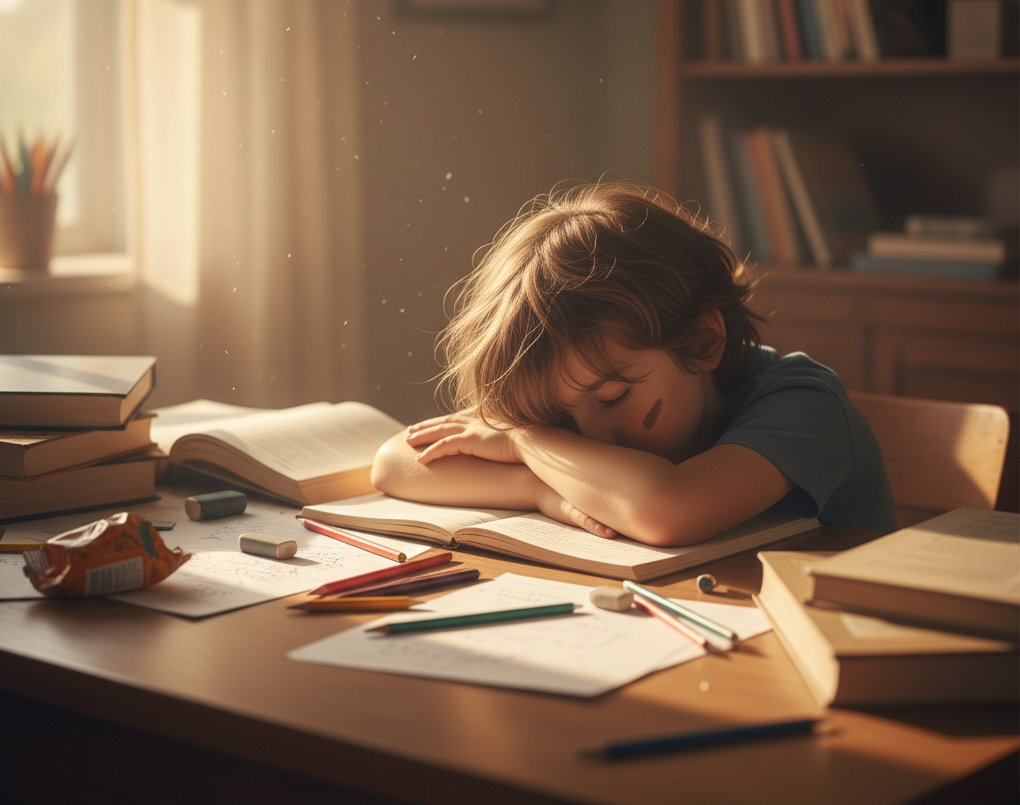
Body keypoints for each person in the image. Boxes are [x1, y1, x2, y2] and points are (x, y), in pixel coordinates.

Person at [371, 183, 896, 546]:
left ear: (703, 342)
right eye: (560, 420)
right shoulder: (574, 390)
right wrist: (540, 489)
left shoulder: (805, 407)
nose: (590, 438)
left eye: (612, 398)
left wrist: (524, 442)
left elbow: (668, 510)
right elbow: (395, 461)